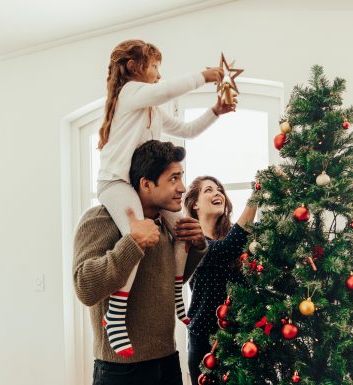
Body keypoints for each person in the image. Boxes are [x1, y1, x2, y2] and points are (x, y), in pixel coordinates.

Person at [96, 39, 235, 357]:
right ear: (134, 68)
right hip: (115, 183)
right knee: (140, 234)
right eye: (155, 66)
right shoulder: (129, 93)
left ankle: (177, 296)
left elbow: (187, 130)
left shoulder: (152, 110)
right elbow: (164, 90)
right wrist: (205, 76)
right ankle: (115, 314)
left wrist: (216, 111)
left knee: (183, 230)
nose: (159, 74)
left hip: (138, 185)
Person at [74, 140, 207, 385]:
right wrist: (132, 243)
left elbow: (163, 282)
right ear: (146, 183)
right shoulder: (101, 219)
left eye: (181, 177)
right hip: (121, 370)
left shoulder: (165, 223)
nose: (183, 187)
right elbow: (85, 287)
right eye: (173, 179)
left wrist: (197, 246)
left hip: (167, 361)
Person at [182, 176, 258, 385]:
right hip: (205, 341)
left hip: (242, 336)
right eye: (208, 190)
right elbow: (224, 250)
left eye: (219, 190)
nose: (217, 193)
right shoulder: (192, 240)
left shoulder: (240, 237)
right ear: (195, 203)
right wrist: (257, 195)